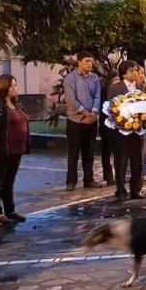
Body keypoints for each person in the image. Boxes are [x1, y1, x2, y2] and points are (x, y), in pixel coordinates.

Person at [0, 75, 29, 225]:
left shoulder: (16, 103)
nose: (15, 88)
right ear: (3, 87)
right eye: (11, 86)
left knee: (9, 180)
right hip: (2, 149)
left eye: (15, 85)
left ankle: (10, 210)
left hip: (17, 149)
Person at [106, 60, 146, 202]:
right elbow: (111, 109)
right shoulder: (115, 88)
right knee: (121, 161)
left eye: (136, 70)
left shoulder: (141, 87)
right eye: (131, 71)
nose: (135, 73)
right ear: (124, 73)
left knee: (137, 161)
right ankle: (121, 191)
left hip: (138, 131)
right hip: (121, 132)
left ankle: (136, 189)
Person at [63, 52, 102, 191]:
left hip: (91, 120)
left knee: (89, 152)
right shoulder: (70, 78)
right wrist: (85, 113)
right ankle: (71, 181)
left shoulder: (95, 78)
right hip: (75, 120)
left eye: (91, 61)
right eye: (86, 61)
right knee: (73, 153)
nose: (90, 64)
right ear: (79, 62)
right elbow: (71, 99)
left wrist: (93, 113)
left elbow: (97, 96)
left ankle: (89, 179)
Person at [99, 71, 120, 186]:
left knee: (118, 151)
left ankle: (119, 175)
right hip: (106, 125)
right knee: (107, 151)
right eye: (115, 79)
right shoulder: (104, 91)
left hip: (118, 125)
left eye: (118, 79)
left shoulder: (120, 92)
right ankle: (108, 176)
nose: (117, 82)